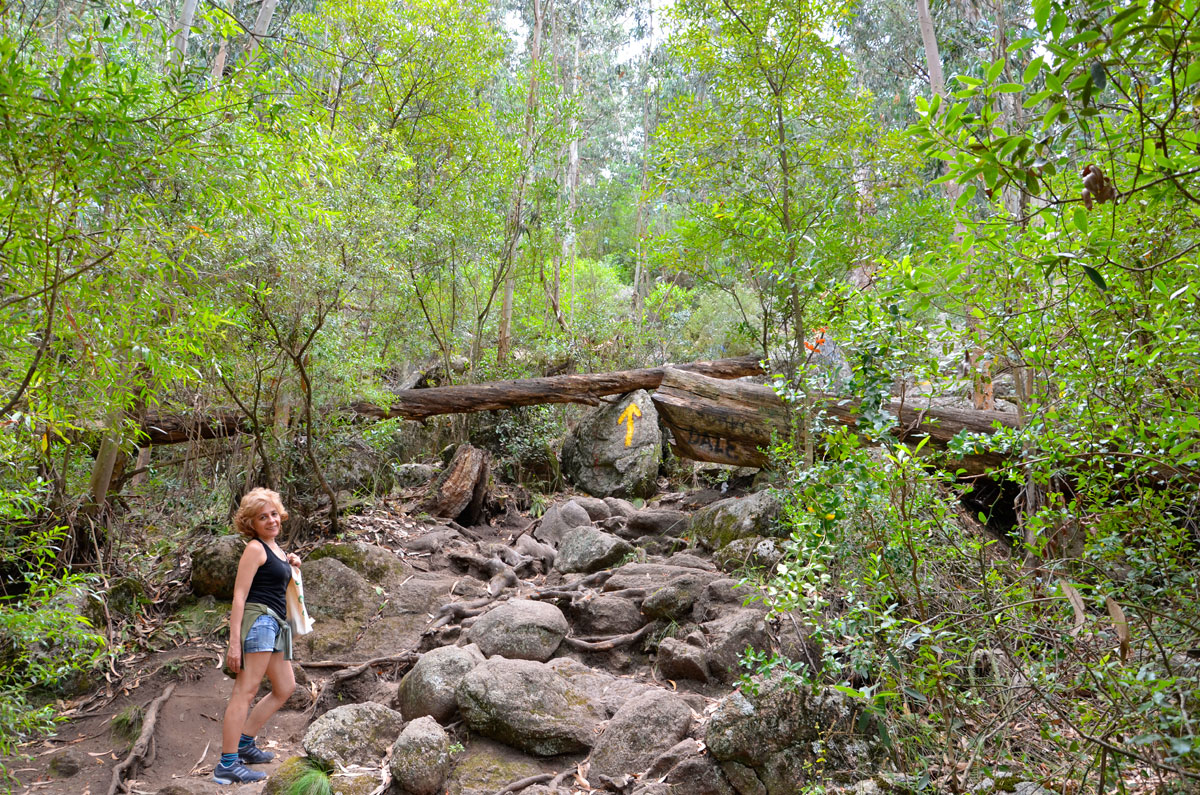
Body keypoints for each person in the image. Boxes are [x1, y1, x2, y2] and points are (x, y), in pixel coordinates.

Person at [213, 487, 301, 785]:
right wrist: (233, 642)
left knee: (285, 687)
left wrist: (292, 565)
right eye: (262, 517)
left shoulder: (275, 548)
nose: (271, 520)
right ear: (251, 523)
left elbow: (281, 584)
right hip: (260, 620)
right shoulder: (254, 549)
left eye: (274, 514)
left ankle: (244, 744)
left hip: (276, 623)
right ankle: (227, 763)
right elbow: (239, 596)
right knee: (245, 691)